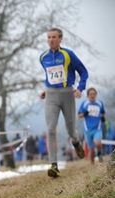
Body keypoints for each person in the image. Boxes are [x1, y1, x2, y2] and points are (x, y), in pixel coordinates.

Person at [39, 27, 88, 178]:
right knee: (51, 129)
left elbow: (83, 72)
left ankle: (75, 141)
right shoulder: (43, 57)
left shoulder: (68, 54)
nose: (51, 40)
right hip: (51, 95)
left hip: (67, 93)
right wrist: (45, 90)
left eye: (54, 37)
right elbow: (50, 76)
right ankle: (54, 166)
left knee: (70, 129)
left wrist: (80, 88)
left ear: (60, 39)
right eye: (48, 37)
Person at [78, 88, 105, 164]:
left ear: (96, 95)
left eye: (94, 94)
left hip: (97, 127)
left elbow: (103, 112)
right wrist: (84, 114)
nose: (92, 96)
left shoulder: (100, 103)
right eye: (91, 94)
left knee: (97, 143)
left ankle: (99, 153)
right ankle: (92, 163)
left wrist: (103, 117)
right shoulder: (84, 104)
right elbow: (78, 115)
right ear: (88, 95)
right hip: (87, 129)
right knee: (91, 148)